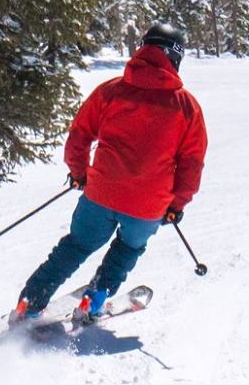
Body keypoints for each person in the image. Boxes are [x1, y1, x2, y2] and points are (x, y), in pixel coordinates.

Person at [14, 23, 208, 323]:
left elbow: (79, 134)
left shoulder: (111, 90)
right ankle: (94, 300)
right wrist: (176, 204)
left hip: (101, 193)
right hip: (148, 204)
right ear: (176, 57)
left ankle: (31, 302)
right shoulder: (187, 107)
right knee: (128, 247)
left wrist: (78, 172)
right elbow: (191, 163)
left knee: (76, 245)